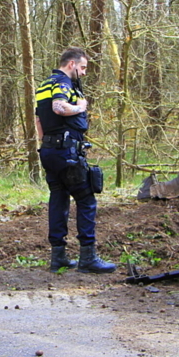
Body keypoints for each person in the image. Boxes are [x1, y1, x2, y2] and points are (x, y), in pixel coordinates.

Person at [35, 48, 116, 273]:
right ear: (71, 64)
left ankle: (58, 257)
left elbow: (39, 120)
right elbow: (58, 107)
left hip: (50, 151)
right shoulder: (62, 83)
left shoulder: (44, 84)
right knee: (86, 198)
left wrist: (47, 144)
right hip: (66, 152)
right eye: (82, 68)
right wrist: (80, 107)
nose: (83, 73)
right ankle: (88, 258)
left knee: (59, 199)